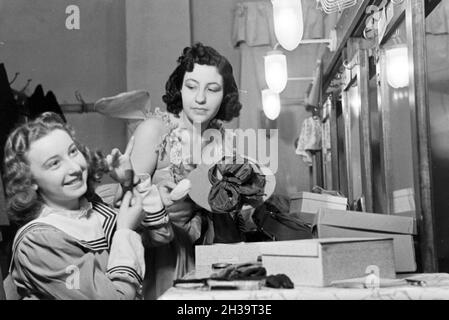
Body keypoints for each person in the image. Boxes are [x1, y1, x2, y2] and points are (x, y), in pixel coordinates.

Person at [130, 42, 242, 299]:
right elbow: (126, 208)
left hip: (201, 259)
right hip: (156, 261)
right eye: (191, 87)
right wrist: (158, 201)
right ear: (179, 88)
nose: (200, 98)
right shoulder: (155, 131)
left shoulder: (224, 141)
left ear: (225, 95)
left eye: (212, 89)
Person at [3, 112, 152, 300]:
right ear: (29, 180)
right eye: (54, 163)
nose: (74, 168)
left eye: (73, 151)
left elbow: (160, 236)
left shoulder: (91, 206)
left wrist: (129, 183)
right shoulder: (39, 241)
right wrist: (124, 232)